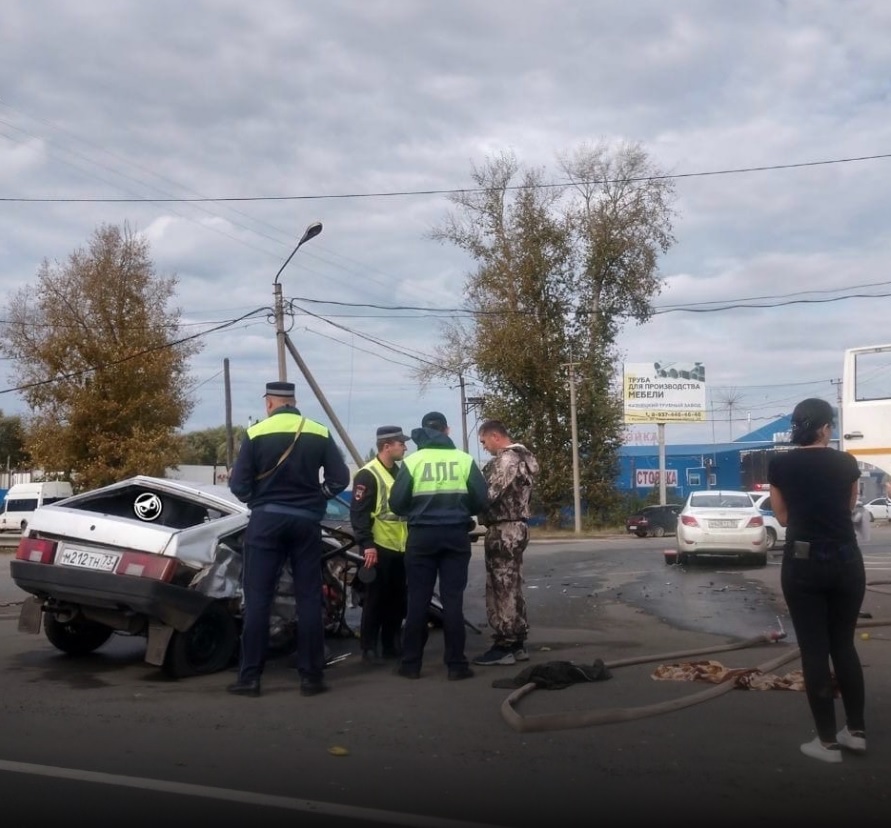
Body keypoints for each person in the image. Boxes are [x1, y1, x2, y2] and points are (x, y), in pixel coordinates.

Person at [227, 380, 350, 698]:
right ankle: (311, 678)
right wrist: (317, 497)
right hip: (306, 523)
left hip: (266, 522)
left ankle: (250, 679)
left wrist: (259, 498)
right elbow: (340, 478)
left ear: (269, 403)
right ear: (293, 402)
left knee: (258, 600)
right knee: (309, 598)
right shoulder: (318, 431)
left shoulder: (255, 434)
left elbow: (238, 486)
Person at [768, 397, 866, 763]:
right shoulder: (847, 463)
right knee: (844, 645)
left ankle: (826, 743)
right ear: (826, 428)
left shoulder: (780, 464)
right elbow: (848, 508)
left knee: (814, 649)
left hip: (803, 563)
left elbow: (780, 517)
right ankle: (856, 731)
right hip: (846, 560)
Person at [389, 411, 489, 680]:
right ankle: (456, 665)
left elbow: (396, 504)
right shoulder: (464, 460)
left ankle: (411, 665)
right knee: (453, 601)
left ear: (423, 431)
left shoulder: (413, 462)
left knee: (417, 601)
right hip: (456, 535)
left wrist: (417, 509)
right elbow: (481, 500)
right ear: (446, 431)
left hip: (421, 538)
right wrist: (460, 509)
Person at [472, 419, 539, 666]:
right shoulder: (523, 459)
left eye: (484, 441)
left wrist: (465, 503)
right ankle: (518, 640)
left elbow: (489, 494)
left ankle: (505, 643)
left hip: (503, 528)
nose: (484, 447)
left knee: (501, 586)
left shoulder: (506, 460)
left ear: (495, 437)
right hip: (516, 526)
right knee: (512, 583)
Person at [350, 425, 411, 665]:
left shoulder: (400, 473)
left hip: (401, 546)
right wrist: (367, 545)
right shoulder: (368, 474)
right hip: (378, 547)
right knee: (375, 599)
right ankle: (368, 648)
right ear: (387, 446)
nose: (405, 447)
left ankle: (391, 644)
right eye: (401, 443)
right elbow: (359, 513)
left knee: (398, 599)